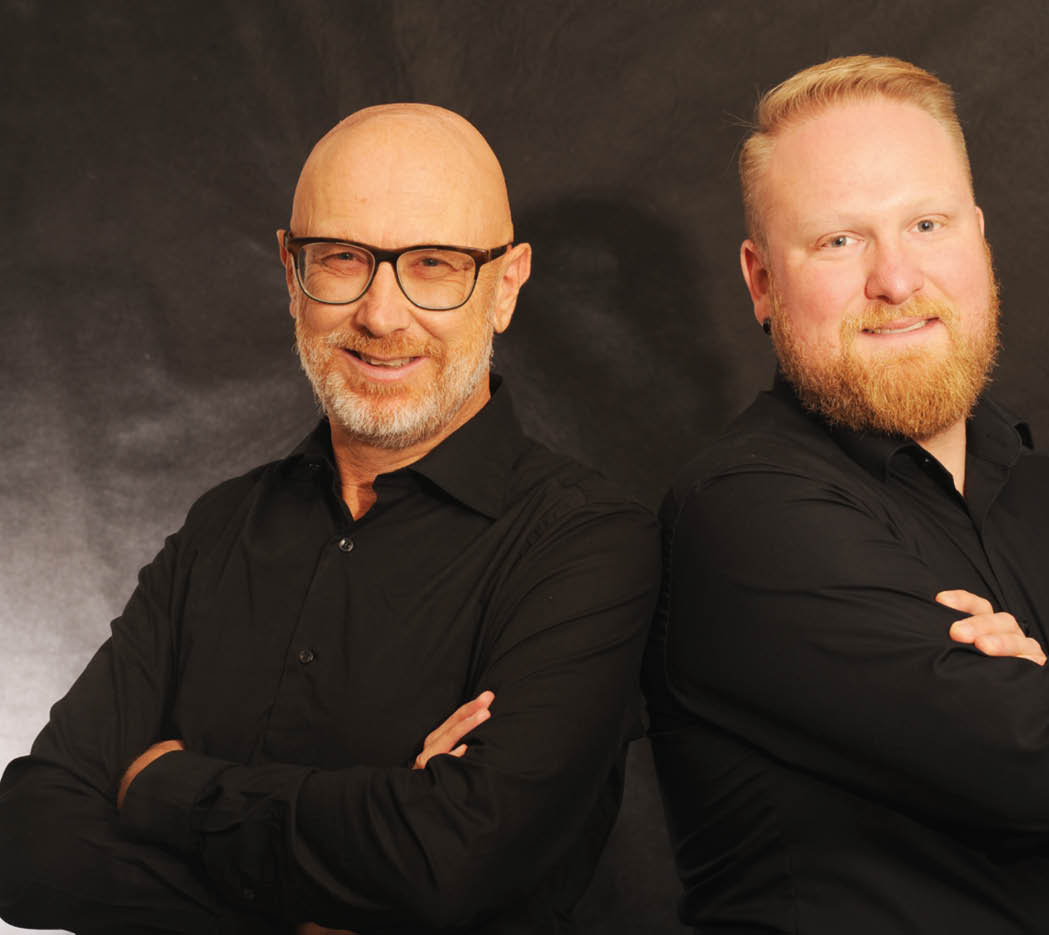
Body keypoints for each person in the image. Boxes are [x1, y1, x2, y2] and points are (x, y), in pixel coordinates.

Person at [643, 55, 1049, 934]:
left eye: (927, 224)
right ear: (761, 283)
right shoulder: (740, 513)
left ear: (979, 239)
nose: (896, 281)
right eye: (839, 241)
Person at [0, 104, 659, 934]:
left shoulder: (588, 545)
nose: (381, 315)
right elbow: (28, 840)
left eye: (434, 264)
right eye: (343, 259)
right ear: (291, 272)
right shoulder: (220, 529)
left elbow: (451, 859)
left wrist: (160, 786)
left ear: (506, 286)